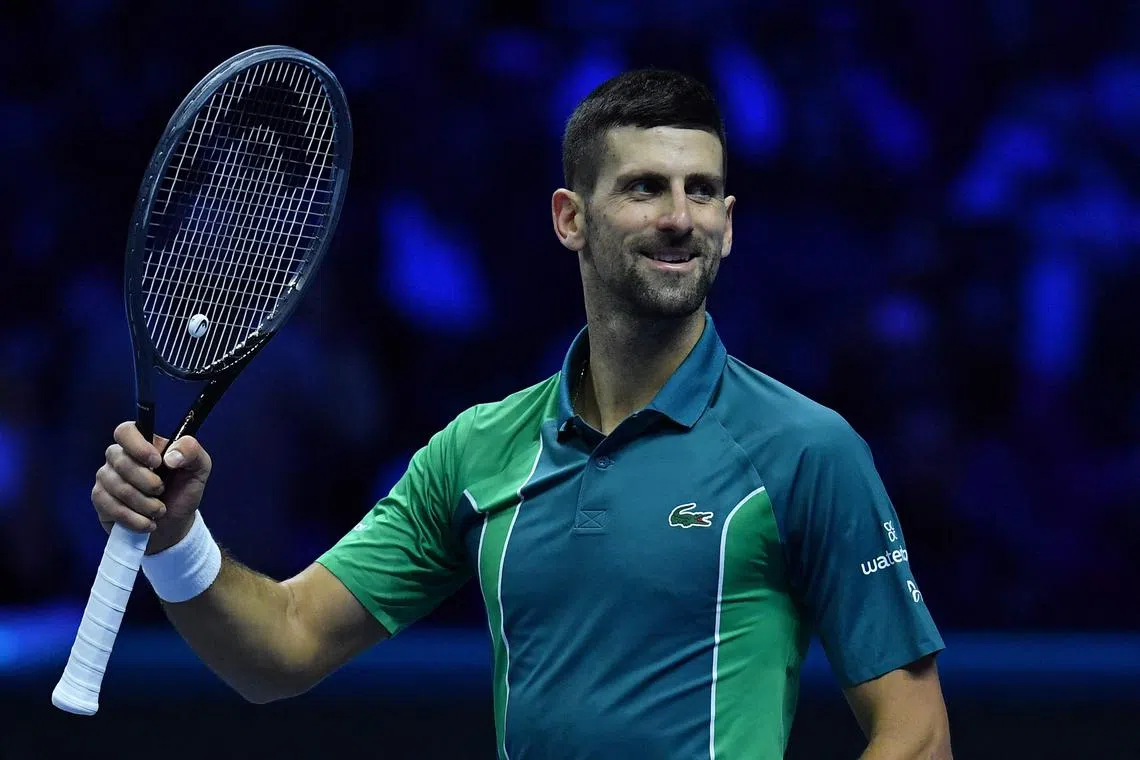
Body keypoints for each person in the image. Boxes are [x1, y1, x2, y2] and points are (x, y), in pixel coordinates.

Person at [92, 69, 952, 759]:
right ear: (570, 219)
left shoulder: (807, 449)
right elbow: (282, 647)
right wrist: (176, 539)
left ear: (728, 226)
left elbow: (916, 736)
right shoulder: (477, 449)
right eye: (645, 188)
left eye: (702, 192)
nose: (679, 218)